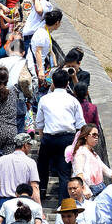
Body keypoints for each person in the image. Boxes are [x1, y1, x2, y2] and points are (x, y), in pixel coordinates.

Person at [35, 68, 84, 200]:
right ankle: (63, 203)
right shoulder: (73, 101)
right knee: (64, 172)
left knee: (42, 165)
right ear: (68, 83)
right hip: (67, 138)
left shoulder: (44, 99)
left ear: (53, 83)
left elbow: (39, 123)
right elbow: (80, 125)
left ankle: (42, 192)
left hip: (49, 137)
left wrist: (42, 138)